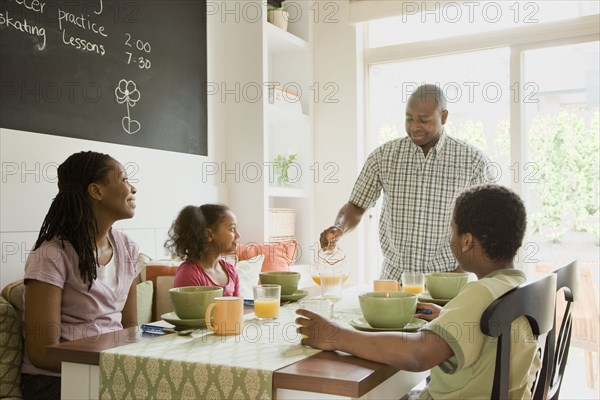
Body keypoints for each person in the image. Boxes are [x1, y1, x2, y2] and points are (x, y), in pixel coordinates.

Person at [298, 184, 541, 399]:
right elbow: (487, 334)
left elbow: (418, 354)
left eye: (452, 230)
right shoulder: (515, 287)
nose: (451, 239)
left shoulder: (481, 293)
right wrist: (447, 317)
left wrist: (337, 335)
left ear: (467, 241)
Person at [320, 84, 492, 280]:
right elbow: (357, 205)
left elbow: (486, 227)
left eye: (423, 120)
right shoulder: (383, 156)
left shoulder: (473, 162)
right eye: (409, 118)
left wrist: (460, 273)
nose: (414, 127)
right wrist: (339, 228)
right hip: (393, 282)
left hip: (447, 282)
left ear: (443, 117)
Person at [21, 151, 140, 400]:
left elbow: (129, 327)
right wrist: (112, 364)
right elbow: (42, 352)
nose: (133, 188)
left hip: (109, 370)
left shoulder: (128, 249)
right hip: (55, 380)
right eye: (124, 178)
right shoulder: (51, 256)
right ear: (96, 191)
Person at [165, 204, 240, 297]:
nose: (238, 235)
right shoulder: (189, 274)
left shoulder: (231, 271)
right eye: (232, 229)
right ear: (209, 234)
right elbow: (187, 311)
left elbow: (238, 309)